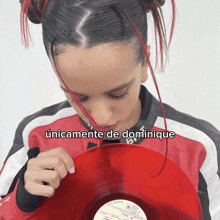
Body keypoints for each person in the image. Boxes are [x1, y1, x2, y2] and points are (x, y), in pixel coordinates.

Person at [0, 0, 219, 219]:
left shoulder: (199, 147)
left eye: (117, 94)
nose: (101, 118)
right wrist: (22, 200)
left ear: (144, 63)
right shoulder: (37, 136)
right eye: (78, 97)